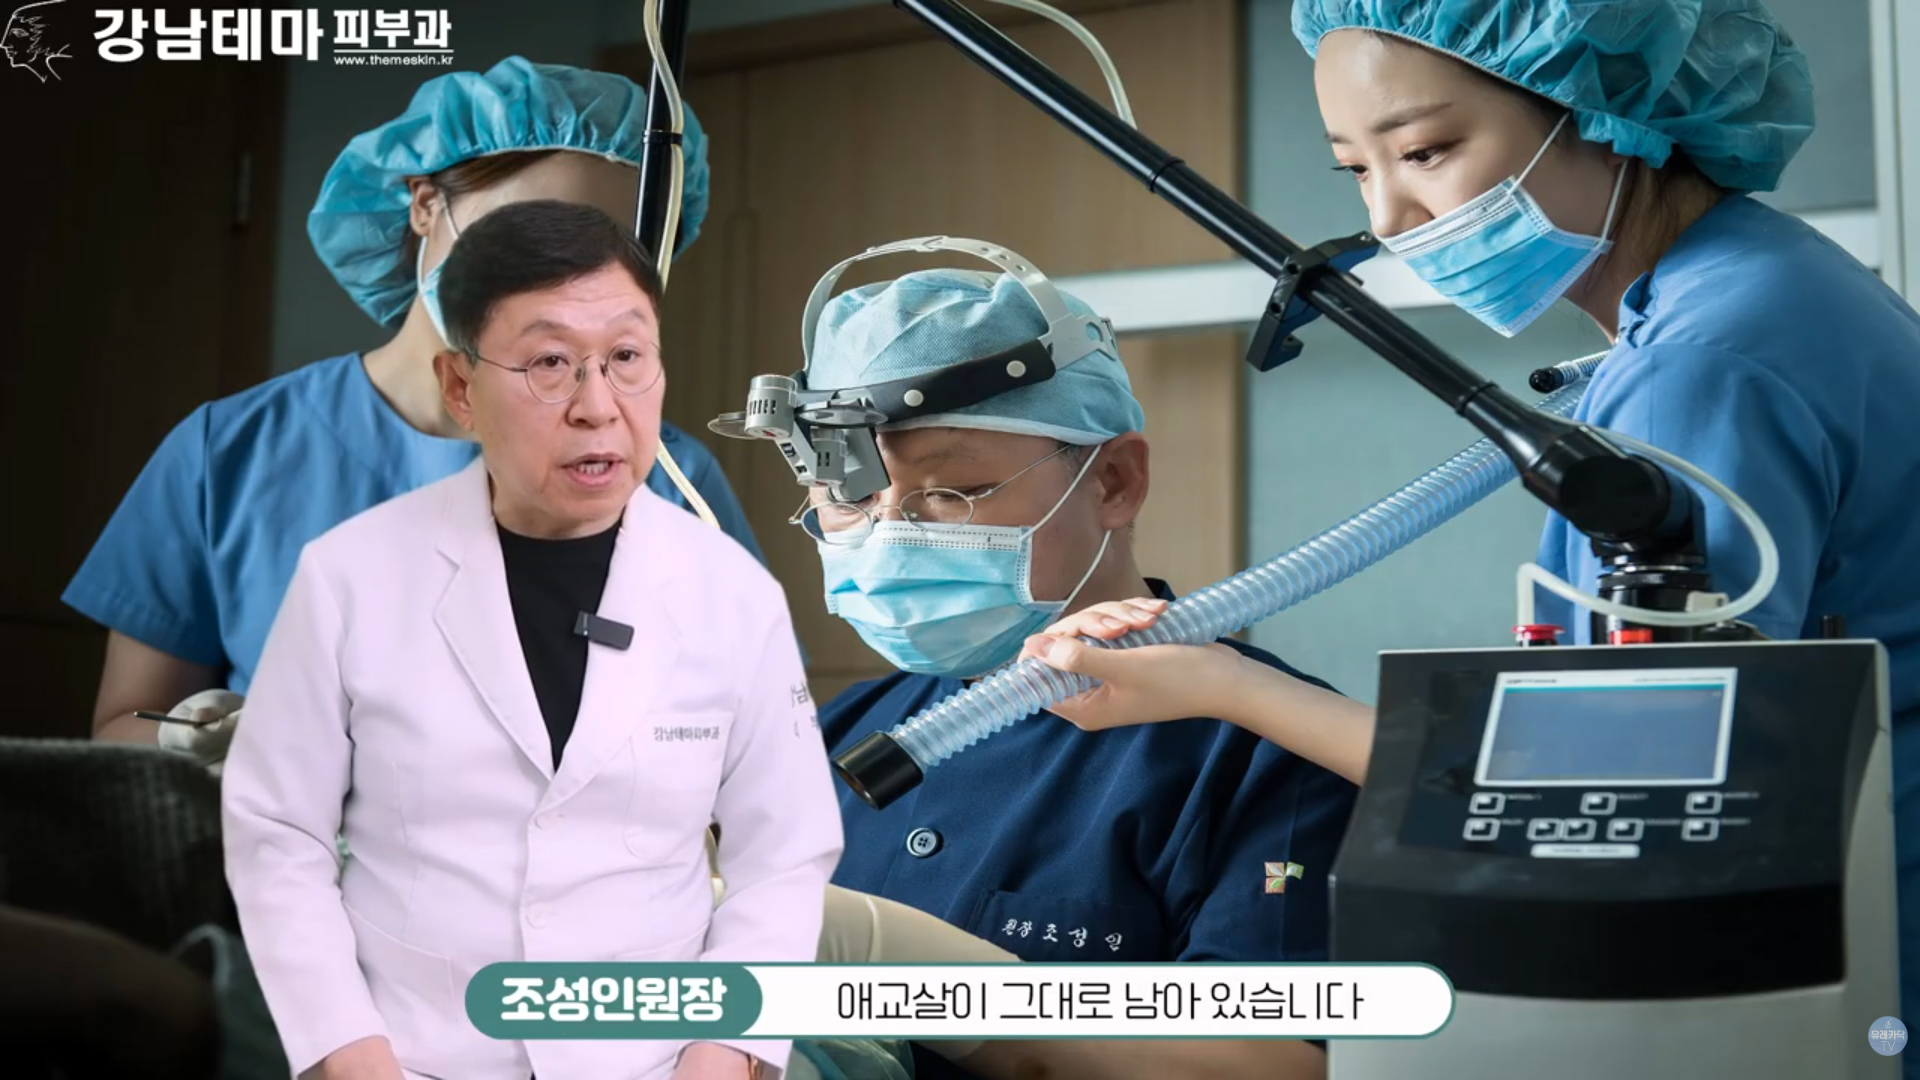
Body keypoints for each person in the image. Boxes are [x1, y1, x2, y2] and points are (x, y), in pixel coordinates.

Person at [1026, 0, 1920, 1056]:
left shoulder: (1699, 363)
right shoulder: (1768, 285)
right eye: (1355, 171)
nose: (1391, 217)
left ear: (1602, 106)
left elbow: (1612, 793)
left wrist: (1227, 688)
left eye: (1426, 151)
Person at [220, 201, 842, 1080]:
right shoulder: (349, 576)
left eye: (626, 358)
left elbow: (783, 854)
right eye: (550, 363)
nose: (598, 407)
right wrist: (344, 1049)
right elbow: (278, 834)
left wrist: (729, 1049)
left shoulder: (733, 595)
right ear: (461, 387)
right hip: (414, 1055)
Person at [66, 56, 763, 771]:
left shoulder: (667, 480)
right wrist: (194, 742)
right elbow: (120, 726)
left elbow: (753, 748)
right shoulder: (230, 453)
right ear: (426, 204)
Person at [796, 259, 1357, 1080]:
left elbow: (1277, 1066)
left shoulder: (1267, 752)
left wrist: (954, 998)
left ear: (1114, 483)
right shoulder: (837, 734)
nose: (886, 537)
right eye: (848, 498)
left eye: (952, 492)